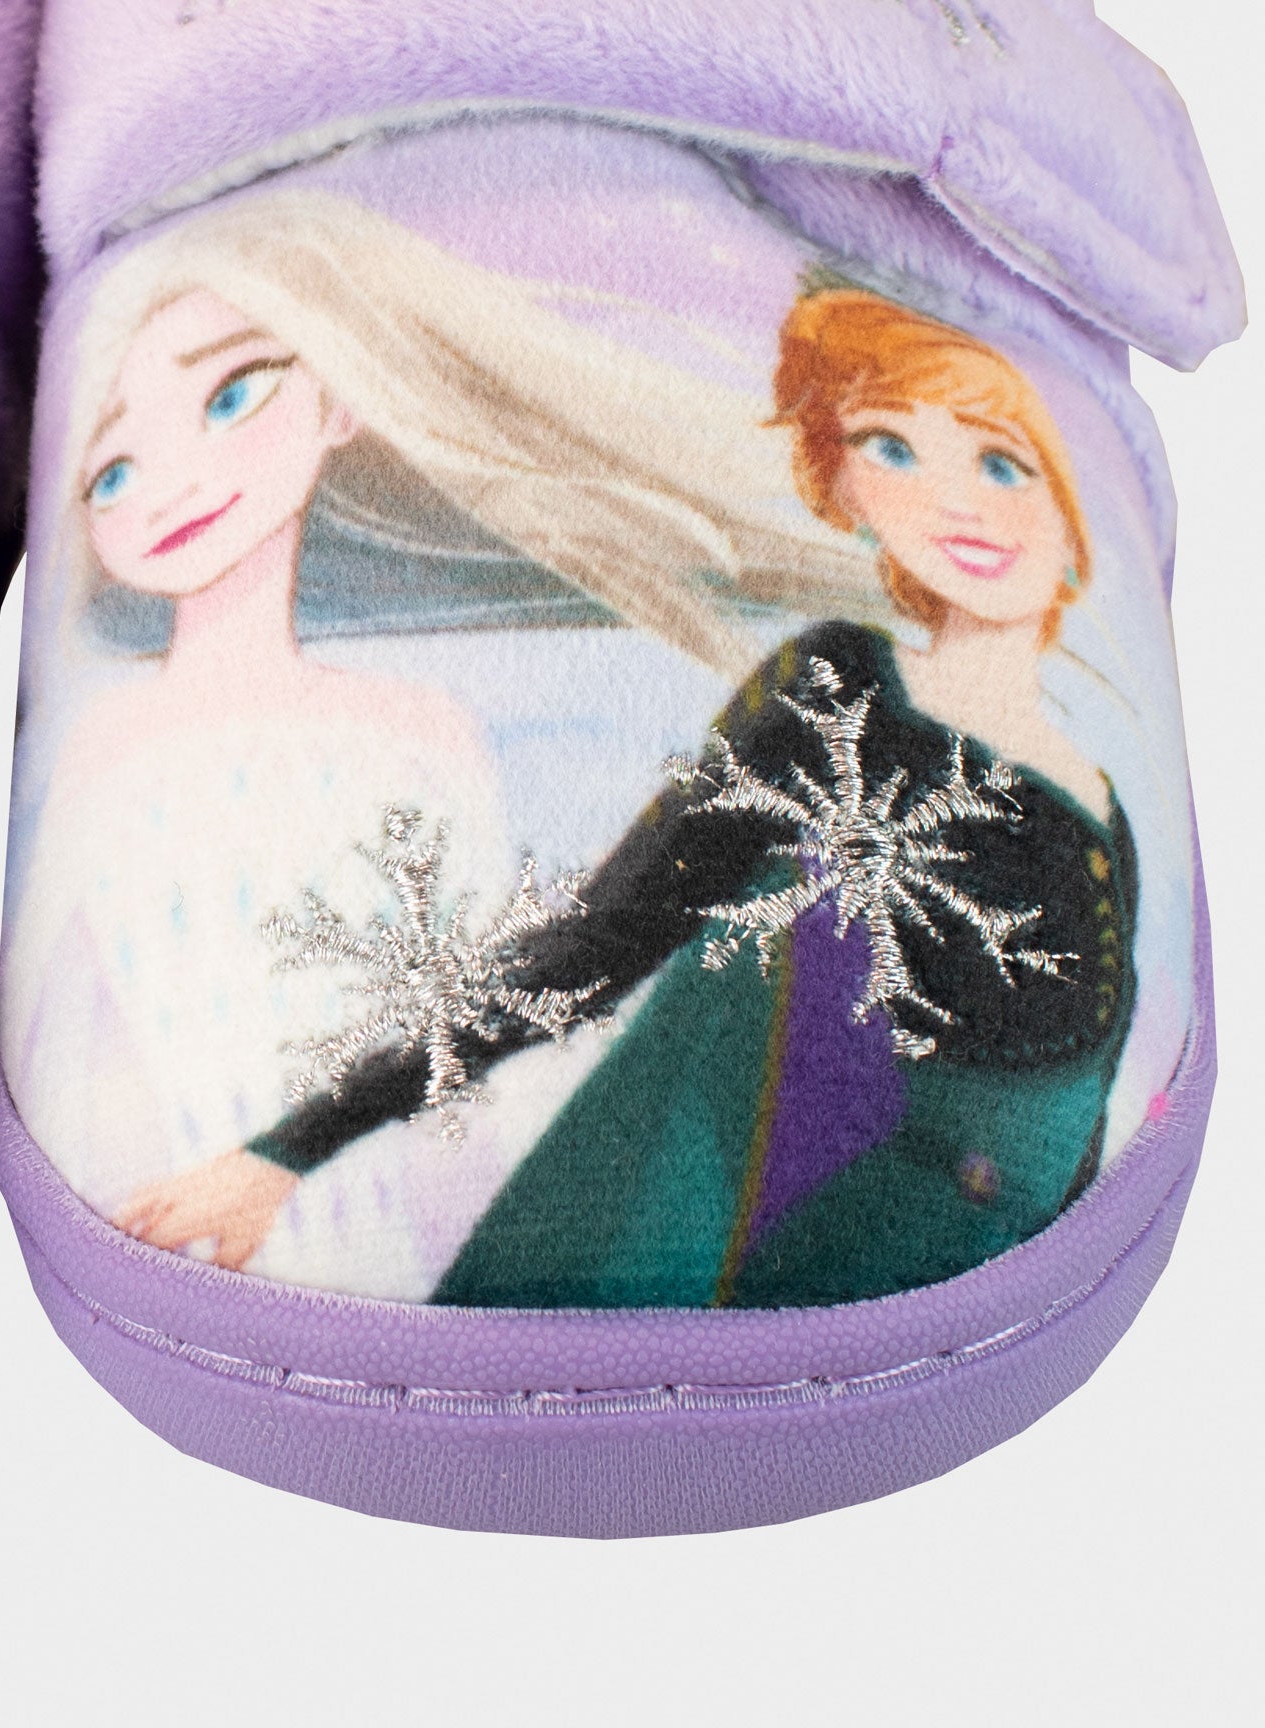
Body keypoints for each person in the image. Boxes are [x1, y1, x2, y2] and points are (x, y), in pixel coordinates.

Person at [119, 282, 1132, 1309]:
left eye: (1000, 463)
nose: (954, 501)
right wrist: (294, 1147)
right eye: (891, 449)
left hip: (1016, 1280)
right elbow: (599, 940)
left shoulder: (1104, 809)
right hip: (836, 1255)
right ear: (848, 493)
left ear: (1071, 508)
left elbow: (1092, 1109)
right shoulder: (844, 694)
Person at [2, 187, 885, 1268]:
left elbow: (492, 985)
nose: (172, 484)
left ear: (339, 395)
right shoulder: (107, 744)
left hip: (390, 1174)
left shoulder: (418, 728)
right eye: (111, 468)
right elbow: (82, 1014)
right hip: (197, 1170)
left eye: (234, 394)